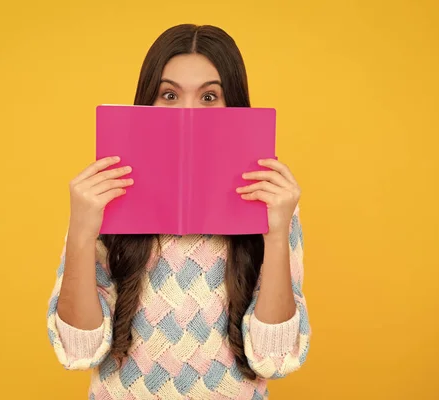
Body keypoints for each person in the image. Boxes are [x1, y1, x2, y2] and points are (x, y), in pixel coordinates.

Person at [46, 24, 311, 399]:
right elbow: (79, 350)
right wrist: (81, 233)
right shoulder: (106, 194)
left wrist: (277, 234)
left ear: (232, 104)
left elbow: (273, 357)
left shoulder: (271, 199)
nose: (188, 112)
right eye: (169, 94)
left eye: (209, 96)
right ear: (147, 103)